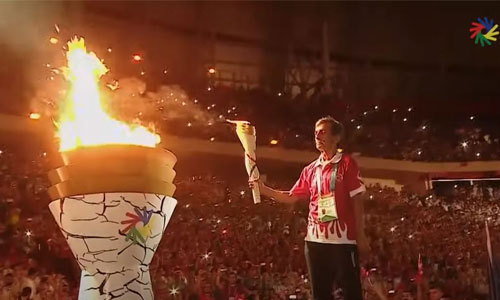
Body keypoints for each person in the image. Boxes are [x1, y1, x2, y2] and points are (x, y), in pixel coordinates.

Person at [250, 116, 370, 300]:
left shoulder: (347, 164)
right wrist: (263, 189)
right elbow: (291, 197)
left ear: (336, 137)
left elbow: (358, 199)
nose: (317, 135)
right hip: (315, 241)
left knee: (352, 293)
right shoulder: (311, 170)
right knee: (320, 294)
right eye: (315, 132)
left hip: (343, 241)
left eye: (322, 131)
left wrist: (360, 235)